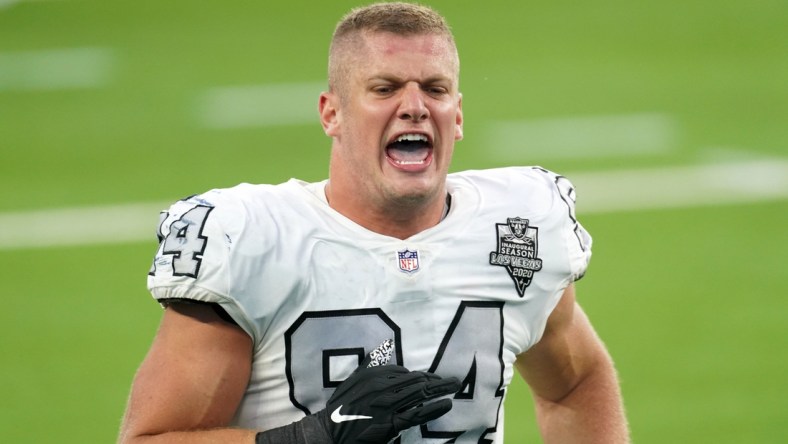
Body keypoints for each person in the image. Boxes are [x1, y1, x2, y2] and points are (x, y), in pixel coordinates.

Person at [119, 3, 630, 443]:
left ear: (457, 116)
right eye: (384, 89)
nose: (414, 107)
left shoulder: (516, 226)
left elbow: (576, 382)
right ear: (331, 114)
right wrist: (312, 436)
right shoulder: (253, 240)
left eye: (435, 88)